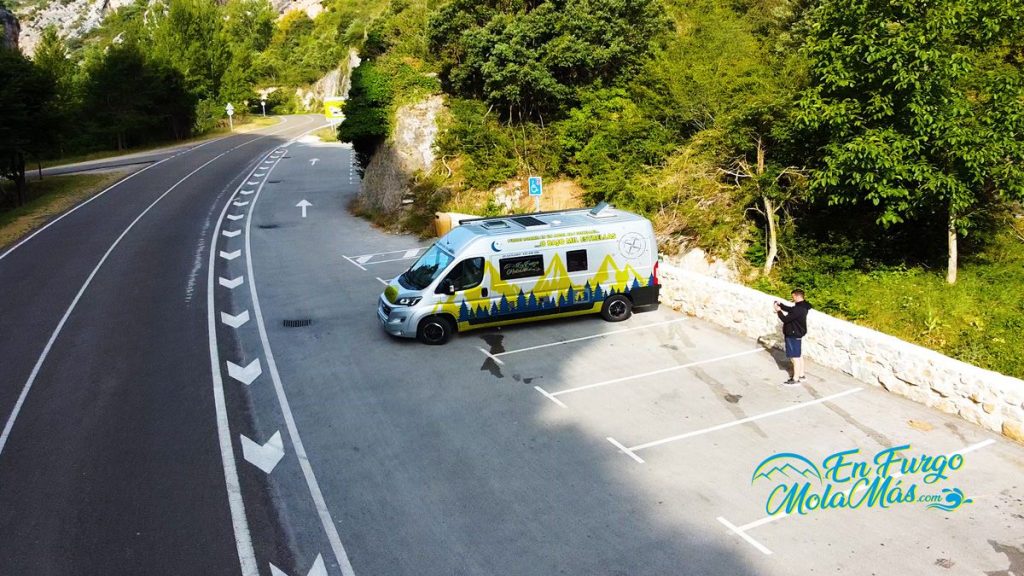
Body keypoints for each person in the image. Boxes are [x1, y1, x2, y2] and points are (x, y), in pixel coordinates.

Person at [774, 289, 811, 386]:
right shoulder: (803, 306)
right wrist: (781, 305)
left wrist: (778, 311)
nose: (792, 298)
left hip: (793, 334)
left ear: (797, 296)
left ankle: (795, 379)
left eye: (793, 296)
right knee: (798, 355)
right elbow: (791, 310)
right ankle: (801, 375)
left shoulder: (798, 309)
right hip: (797, 333)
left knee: (794, 357)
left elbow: (785, 319)